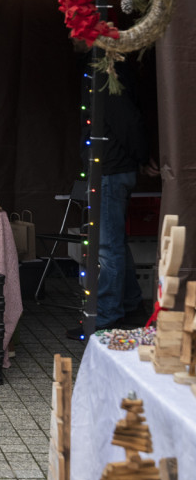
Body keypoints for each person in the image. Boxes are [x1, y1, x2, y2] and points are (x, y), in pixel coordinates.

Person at [94, 68, 150, 330]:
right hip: (113, 169)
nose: (72, 39)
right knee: (115, 243)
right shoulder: (102, 75)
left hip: (112, 170)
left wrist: (141, 156)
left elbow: (128, 122)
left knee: (108, 247)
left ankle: (107, 317)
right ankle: (131, 305)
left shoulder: (106, 77)